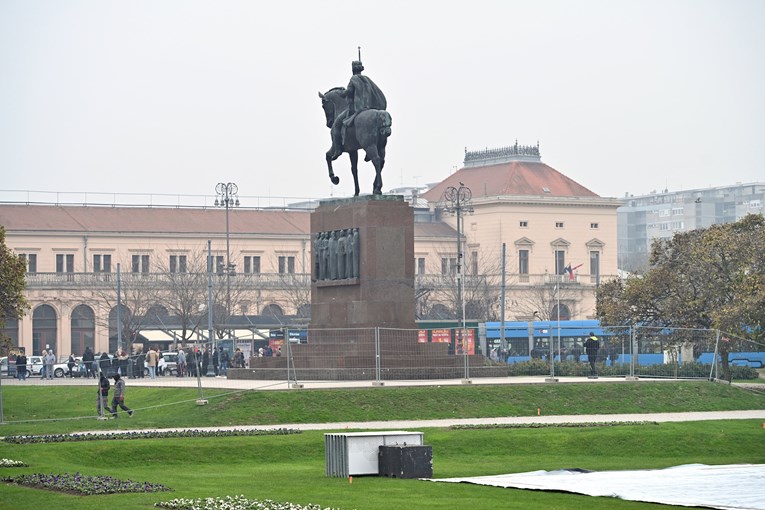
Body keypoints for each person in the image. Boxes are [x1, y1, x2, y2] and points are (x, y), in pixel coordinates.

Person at [337, 59, 387, 145]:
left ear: (353, 69)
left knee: (337, 123)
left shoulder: (354, 79)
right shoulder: (367, 79)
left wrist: (342, 94)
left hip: (357, 107)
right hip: (369, 106)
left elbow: (349, 90)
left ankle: (338, 147)